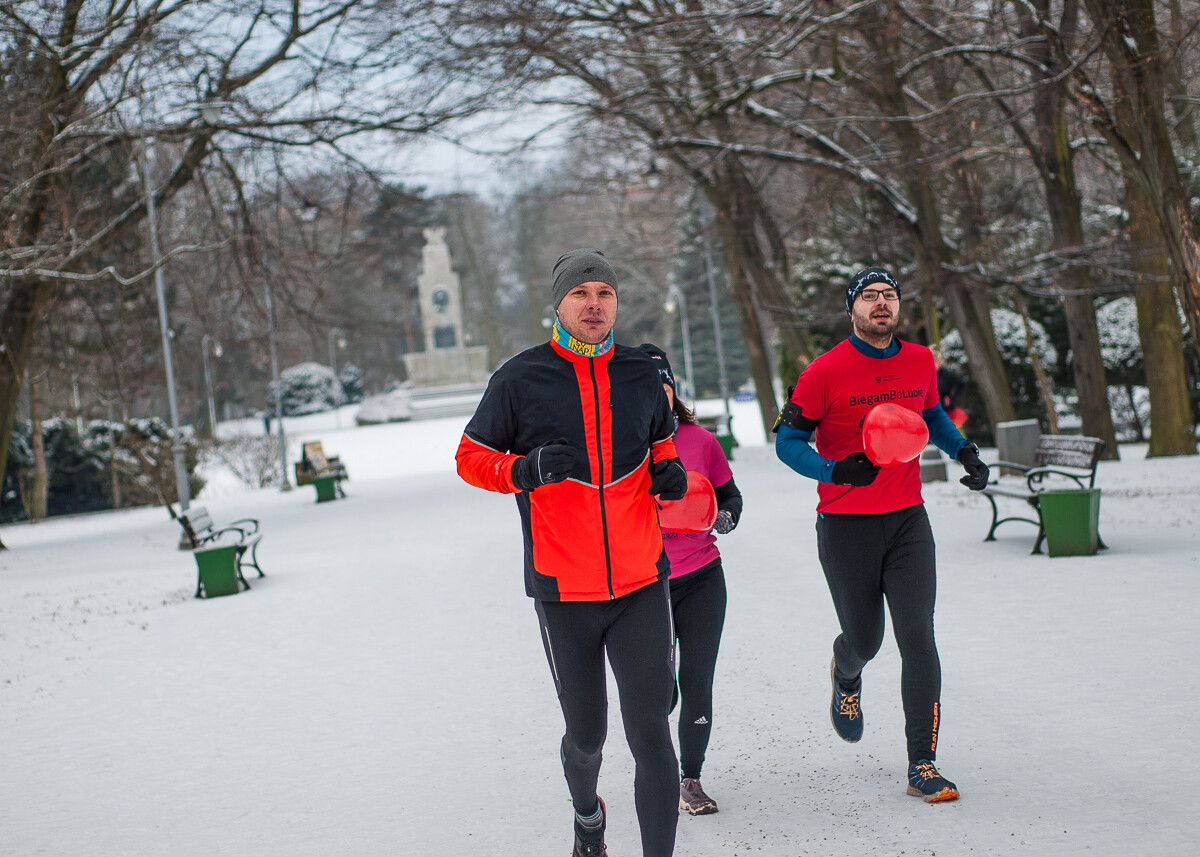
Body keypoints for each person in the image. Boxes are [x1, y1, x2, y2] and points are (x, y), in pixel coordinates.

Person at [456, 249, 687, 857]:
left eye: (604, 293)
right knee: (587, 737)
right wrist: (523, 469)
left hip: (641, 581)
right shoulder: (519, 378)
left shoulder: (641, 372)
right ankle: (588, 814)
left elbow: (662, 441)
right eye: (581, 293)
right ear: (558, 304)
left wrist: (671, 472)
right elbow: (469, 458)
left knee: (651, 734)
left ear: (616, 303)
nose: (593, 304)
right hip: (564, 590)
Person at [773, 266, 990, 803]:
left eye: (888, 296)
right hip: (846, 526)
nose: (880, 304)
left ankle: (923, 764)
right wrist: (834, 469)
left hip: (908, 520)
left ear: (899, 307)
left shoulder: (920, 361)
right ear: (852, 309)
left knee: (918, 637)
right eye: (868, 297)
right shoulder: (822, 372)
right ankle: (846, 674)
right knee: (865, 640)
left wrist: (962, 449)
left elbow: (932, 414)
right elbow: (787, 441)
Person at [638, 344, 743, 818]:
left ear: (672, 388)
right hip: (644, 581)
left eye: (662, 385)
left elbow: (730, 497)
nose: (656, 395)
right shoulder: (620, 450)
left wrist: (724, 517)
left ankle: (691, 778)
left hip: (702, 576)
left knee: (698, 679)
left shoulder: (701, 441)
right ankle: (665, 705)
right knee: (660, 690)